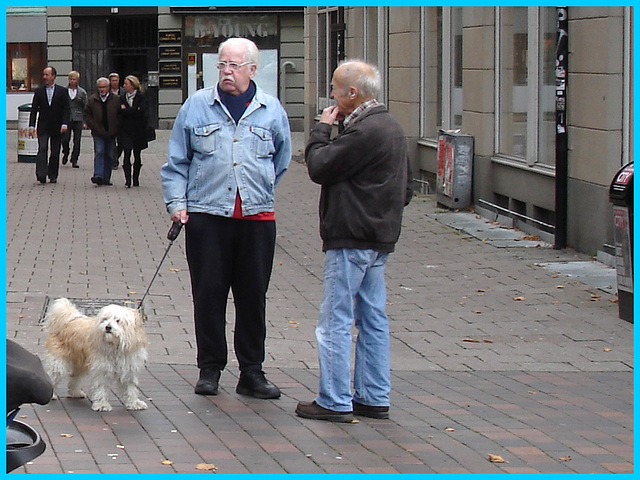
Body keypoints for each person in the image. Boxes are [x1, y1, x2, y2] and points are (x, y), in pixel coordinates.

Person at [161, 37, 292, 399]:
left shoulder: (271, 109)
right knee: (208, 295)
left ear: (253, 68)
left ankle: (252, 372)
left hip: (256, 218)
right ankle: (210, 369)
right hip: (206, 217)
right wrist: (178, 203)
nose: (227, 72)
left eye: (234, 65)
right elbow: (176, 163)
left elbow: (280, 162)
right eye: (222, 65)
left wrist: (258, 189)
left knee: (253, 298)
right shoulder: (196, 107)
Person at [295, 60, 413, 422]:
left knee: (335, 320)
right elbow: (405, 190)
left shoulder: (364, 131)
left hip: (352, 236)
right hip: (379, 237)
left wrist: (321, 129)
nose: (330, 94)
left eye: (334, 87)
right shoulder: (391, 126)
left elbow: (318, 166)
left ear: (352, 93)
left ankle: (334, 399)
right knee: (373, 318)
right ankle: (374, 396)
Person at [28, 66, 70, 184]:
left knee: (55, 151)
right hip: (43, 125)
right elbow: (34, 109)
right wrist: (31, 126)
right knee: (42, 148)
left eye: (47, 75)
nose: (45, 77)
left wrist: (65, 123)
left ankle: (53, 174)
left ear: (53, 76)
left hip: (57, 126)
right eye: (44, 75)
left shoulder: (62, 91)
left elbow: (66, 109)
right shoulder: (39, 91)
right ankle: (41, 174)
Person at [84, 77, 120, 186]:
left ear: (108, 87)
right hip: (98, 131)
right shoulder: (92, 99)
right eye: (100, 87)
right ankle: (98, 175)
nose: (102, 89)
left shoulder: (116, 99)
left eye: (104, 87)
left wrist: (115, 128)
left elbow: (120, 115)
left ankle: (106, 177)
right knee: (99, 151)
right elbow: (87, 115)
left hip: (111, 131)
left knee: (109, 154)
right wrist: (94, 126)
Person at [118, 75, 148, 187]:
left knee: (137, 153)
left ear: (133, 85)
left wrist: (129, 111)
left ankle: (135, 178)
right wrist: (133, 110)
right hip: (125, 129)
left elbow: (142, 112)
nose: (124, 86)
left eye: (126, 84)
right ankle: (127, 180)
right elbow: (120, 112)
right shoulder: (122, 97)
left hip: (138, 129)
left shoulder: (141, 97)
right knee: (126, 152)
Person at [61, 71, 87, 169]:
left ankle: (74, 159)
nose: (72, 81)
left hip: (78, 118)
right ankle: (66, 152)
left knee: (77, 140)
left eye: (74, 79)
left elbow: (85, 107)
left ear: (77, 80)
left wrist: (85, 121)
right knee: (65, 139)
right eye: (70, 79)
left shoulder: (82, 92)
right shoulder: (64, 91)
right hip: (67, 118)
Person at [108, 72, 125, 169]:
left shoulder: (123, 91)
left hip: (121, 120)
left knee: (121, 142)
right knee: (112, 142)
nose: (115, 82)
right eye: (113, 80)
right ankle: (114, 160)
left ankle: (116, 156)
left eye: (116, 80)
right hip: (111, 120)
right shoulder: (107, 91)